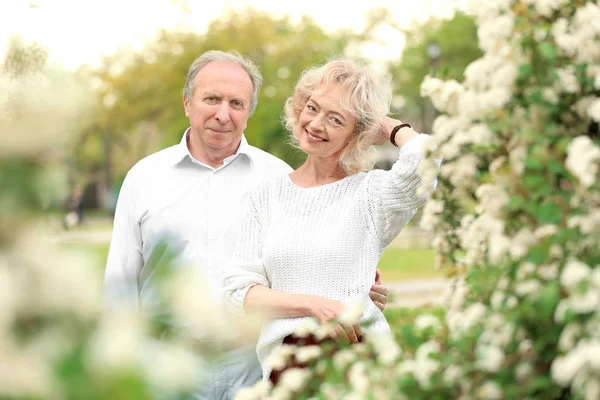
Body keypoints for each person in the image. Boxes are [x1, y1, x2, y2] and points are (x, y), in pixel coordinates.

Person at [103, 50, 389, 399]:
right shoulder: (144, 178)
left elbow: (313, 259)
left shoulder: (280, 179)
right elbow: (120, 282)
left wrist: (356, 286)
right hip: (168, 369)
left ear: (249, 112)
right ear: (187, 103)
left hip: (256, 371)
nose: (223, 115)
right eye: (212, 99)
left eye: (237, 103)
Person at [223, 57, 440, 383]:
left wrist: (388, 126)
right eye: (312, 107)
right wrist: (314, 305)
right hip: (289, 371)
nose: (316, 123)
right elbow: (238, 295)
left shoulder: (372, 196)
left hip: (360, 363)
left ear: (357, 133)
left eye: (336, 119)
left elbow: (426, 159)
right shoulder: (265, 197)